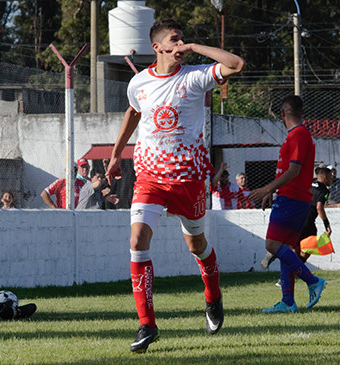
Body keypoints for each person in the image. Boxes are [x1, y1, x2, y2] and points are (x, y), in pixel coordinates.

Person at [105, 19, 246, 352]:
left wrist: (194, 48)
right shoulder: (139, 83)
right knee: (137, 240)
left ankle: (213, 296)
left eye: (183, 39)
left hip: (190, 179)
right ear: (157, 47)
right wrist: (115, 155)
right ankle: (147, 324)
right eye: (175, 39)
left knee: (197, 246)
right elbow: (133, 113)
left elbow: (236, 65)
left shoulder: (195, 77)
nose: (181, 43)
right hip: (150, 178)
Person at [249, 95, 326, 314]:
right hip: (292, 197)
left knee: (272, 245)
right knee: (285, 249)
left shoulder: (299, 134)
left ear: (282, 114)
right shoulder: (297, 135)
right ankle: (288, 301)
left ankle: (313, 281)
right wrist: (273, 190)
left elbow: (294, 170)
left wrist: (266, 188)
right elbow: (287, 169)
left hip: (292, 197)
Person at [261, 166, 334, 270]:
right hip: (307, 221)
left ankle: (279, 256)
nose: (332, 179)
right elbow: (319, 206)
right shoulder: (324, 190)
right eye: (331, 177)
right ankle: (292, 271)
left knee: (294, 247)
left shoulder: (308, 183)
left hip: (295, 215)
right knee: (309, 248)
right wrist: (326, 224)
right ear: (325, 177)